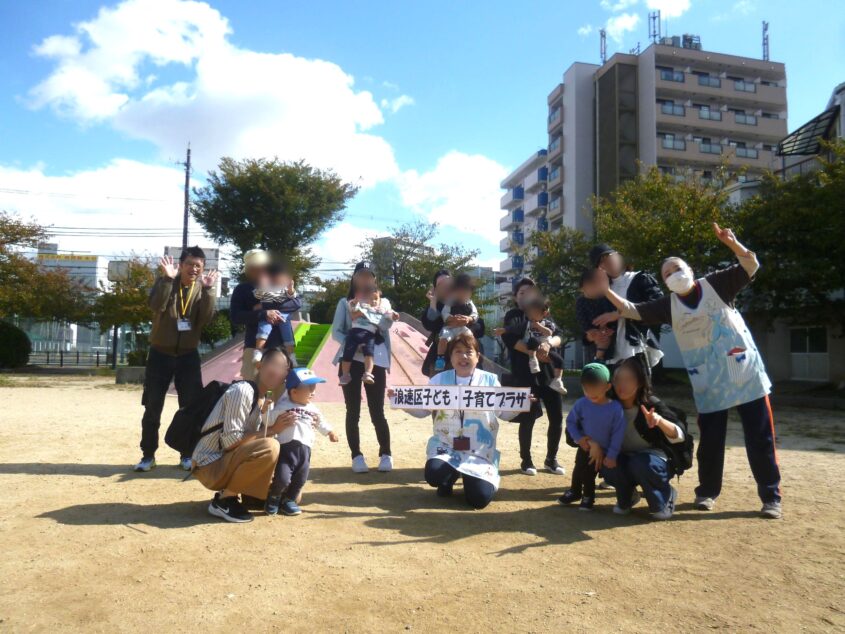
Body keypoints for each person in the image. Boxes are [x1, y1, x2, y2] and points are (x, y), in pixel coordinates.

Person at [599, 222, 782, 519]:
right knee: (710, 440)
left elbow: (750, 265)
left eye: (676, 268)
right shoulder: (669, 304)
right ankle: (707, 492)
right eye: (666, 274)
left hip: (744, 373)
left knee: (760, 437)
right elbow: (632, 310)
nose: (673, 275)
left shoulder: (717, 284)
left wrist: (732, 244)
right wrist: (606, 290)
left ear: (691, 271)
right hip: (709, 381)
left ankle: (770, 496)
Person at [393, 332, 517, 509]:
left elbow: (503, 413)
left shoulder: (490, 380)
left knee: (478, 500)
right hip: (447, 444)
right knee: (433, 475)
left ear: (477, 356)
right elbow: (422, 411)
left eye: (469, 351)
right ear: (450, 357)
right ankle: (449, 478)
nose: (463, 356)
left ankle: (471, 477)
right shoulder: (438, 380)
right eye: (458, 351)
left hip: (479, 450)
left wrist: (520, 405)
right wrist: (401, 401)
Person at [134, 247, 218, 473]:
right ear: (181, 265)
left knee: (191, 407)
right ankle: (148, 455)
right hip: (160, 354)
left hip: (188, 356)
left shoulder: (202, 289)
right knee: (152, 406)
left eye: (198, 265)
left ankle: (187, 454)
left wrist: (210, 291)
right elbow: (155, 306)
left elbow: (206, 318)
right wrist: (166, 280)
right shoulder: (166, 283)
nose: (194, 269)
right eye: (190, 264)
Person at [191, 348, 296, 523]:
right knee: (270, 445)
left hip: (226, 460)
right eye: (274, 364)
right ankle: (224, 500)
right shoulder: (243, 391)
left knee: (291, 495)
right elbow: (230, 441)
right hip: (209, 464)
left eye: (283, 368)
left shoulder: (265, 401)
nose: (277, 371)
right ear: (260, 365)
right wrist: (272, 429)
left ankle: (249, 494)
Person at [601, 357, 690, 520]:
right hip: (622, 458)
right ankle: (627, 496)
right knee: (606, 460)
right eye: (617, 379)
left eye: (628, 379)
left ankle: (665, 497)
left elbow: (680, 436)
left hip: (651, 460)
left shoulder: (650, 404)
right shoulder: (606, 404)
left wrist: (659, 421)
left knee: (641, 464)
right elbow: (575, 436)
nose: (622, 384)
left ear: (640, 382)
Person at [331, 261, 398, 473]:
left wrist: (379, 316)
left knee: (377, 410)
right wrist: (353, 341)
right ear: (354, 278)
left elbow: (385, 326)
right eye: (361, 275)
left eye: (369, 276)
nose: (365, 279)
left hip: (374, 358)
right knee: (353, 411)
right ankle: (356, 455)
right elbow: (336, 331)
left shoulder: (383, 301)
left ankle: (386, 453)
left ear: (374, 279)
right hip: (350, 358)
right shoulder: (345, 302)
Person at [500, 278, 567, 476]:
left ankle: (551, 459)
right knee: (528, 418)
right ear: (515, 298)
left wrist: (549, 344)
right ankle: (526, 460)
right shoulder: (514, 315)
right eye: (522, 293)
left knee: (556, 417)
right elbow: (511, 339)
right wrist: (538, 351)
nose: (527, 296)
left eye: (531, 292)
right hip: (525, 375)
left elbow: (559, 335)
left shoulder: (544, 313)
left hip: (548, 374)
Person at [265, 368, 339, 516]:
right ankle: (273, 497)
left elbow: (321, 422)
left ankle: (289, 500)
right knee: (283, 478)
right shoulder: (283, 406)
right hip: (286, 449)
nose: (313, 392)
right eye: (309, 388)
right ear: (294, 392)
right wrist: (265, 409)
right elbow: (269, 420)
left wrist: (330, 432)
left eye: (314, 388)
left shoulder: (313, 409)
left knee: (301, 478)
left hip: (305, 451)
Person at [557, 363, 626, 511]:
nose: (591, 393)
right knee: (578, 470)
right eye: (586, 389)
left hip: (607, 451)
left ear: (607, 387)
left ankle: (588, 496)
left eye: (595, 389)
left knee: (589, 473)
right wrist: (580, 439)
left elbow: (618, 433)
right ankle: (575, 491)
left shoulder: (615, 408)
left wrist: (612, 455)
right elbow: (570, 422)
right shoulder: (582, 403)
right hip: (586, 446)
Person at [589, 243, 664, 373]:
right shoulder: (600, 292)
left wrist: (618, 314)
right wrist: (594, 335)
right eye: (600, 262)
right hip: (610, 355)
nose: (606, 262)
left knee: (639, 390)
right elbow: (590, 326)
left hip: (637, 348)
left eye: (608, 256)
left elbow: (658, 306)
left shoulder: (640, 279)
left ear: (618, 255)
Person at [497, 295, 567, 395]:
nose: (532, 315)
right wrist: (504, 329)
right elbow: (515, 328)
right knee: (533, 340)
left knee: (559, 360)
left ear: (544, 313)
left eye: (535, 313)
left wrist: (538, 326)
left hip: (546, 348)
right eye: (530, 312)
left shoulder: (548, 323)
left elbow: (550, 333)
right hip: (532, 347)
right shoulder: (526, 322)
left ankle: (558, 380)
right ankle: (532, 358)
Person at [420, 269, 485, 377]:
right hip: (443, 362)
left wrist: (467, 321)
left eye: (449, 283)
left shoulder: (466, 302)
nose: (446, 287)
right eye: (441, 285)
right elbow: (430, 324)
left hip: (466, 360)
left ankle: (478, 357)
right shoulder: (437, 306)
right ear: (435, 289)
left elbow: (480, 328)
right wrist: (433, 302)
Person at [230, 249, 282, 381]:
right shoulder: (242, 289)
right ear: (248, 269)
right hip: (253, 346)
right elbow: (236, 316)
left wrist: (264, 305)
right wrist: (263, 313)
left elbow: (294, 304)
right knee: (251, 388)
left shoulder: (278, 286)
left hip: (278, 346)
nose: (260, 270)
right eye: (254, 268)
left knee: (279, 391)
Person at [339, 284, 397, 386]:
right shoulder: (363, 305)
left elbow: (388, 314)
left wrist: (394, 316)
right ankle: (345, 375)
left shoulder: (380, 310)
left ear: (380, 299)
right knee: (347, 353)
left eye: (376, 299)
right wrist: (355, 301)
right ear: (366, 299)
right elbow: (352, 308)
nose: (374, 301)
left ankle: (368, 373)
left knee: (369, 353)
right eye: (371, 299)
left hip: (369, 334)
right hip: (354, 332)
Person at [254, 262, 302, 367]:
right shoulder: (266, 286)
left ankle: (292, 357)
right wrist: (262, 286)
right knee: (263, 331)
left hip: (283, 316)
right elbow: (257, 295)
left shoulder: (285, 288)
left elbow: (294, 298)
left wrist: (290, 288)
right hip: (268, 316)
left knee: (288, 336)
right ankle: (258, 352)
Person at [433, 273, 479, 372]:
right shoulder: (450, 301)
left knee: (471, 339)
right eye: (460, 292)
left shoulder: (470, 304)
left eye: (466, 292)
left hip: (463, 328)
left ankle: (473, 358)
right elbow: (445, 312)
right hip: (450, 328)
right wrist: (450, 319)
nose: (462, 295)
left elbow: (475, 315)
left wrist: (468, 319)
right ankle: (440, 358)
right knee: (443, 339)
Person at [575, 268, 617, 363]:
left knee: (604, 338)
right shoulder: (581, 302)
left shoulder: (605, 299)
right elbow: (581, 318)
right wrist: (589, 330)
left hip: (607, 327)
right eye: (591, 286)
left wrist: (607, 328)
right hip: (592, 329)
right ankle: (598, 359)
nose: (595, 289)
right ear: (582, 288)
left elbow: (608, 312)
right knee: (597, 338)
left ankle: (599, 357)